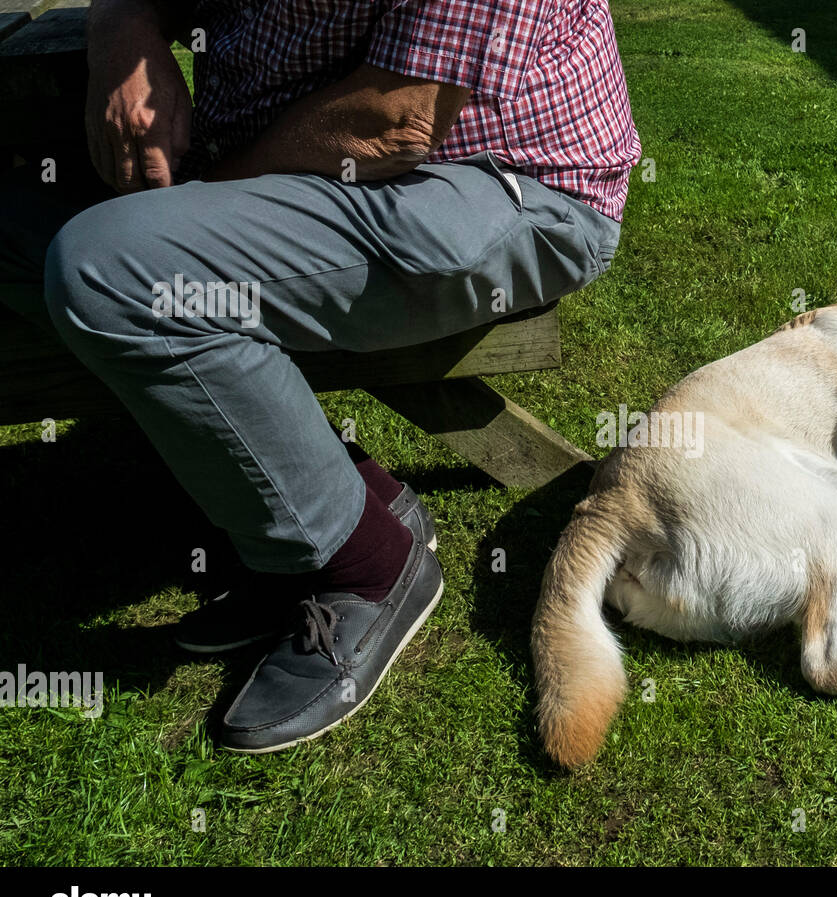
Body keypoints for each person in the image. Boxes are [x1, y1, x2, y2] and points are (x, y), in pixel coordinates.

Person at [0, 0, 639, 753]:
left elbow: (396, 118)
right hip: (313, 158)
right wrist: (125, 34)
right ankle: (336, 496)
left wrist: (207, 203)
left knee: (109, 269)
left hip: (494, 182)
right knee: (22, 228)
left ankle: (365, 564)